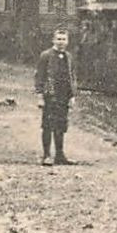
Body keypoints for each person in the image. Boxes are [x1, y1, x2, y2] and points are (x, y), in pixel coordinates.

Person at [34, 27, 77, 166]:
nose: (61, 42)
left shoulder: (69, 57)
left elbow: (72, 77)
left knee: (61, 126)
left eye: (64, 39)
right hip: (50, 95)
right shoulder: (46, 55)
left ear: (68, 41)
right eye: (58, 39)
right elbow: (39, 76)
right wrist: (40, 95)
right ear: (53, 40)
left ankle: (60, 155)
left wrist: (72, 96)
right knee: (48, 125)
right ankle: (46, 155)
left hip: (63, 96)